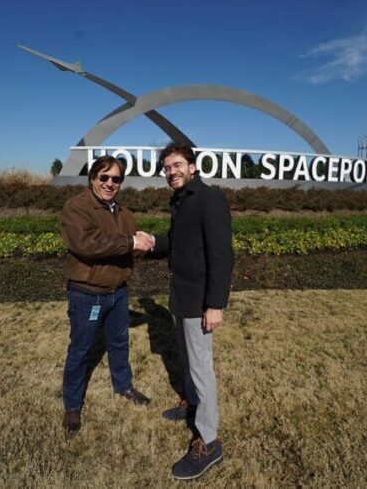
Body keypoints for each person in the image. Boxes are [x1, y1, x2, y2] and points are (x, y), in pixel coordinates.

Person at [149, 143, 234, 480]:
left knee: (201, 368)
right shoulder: (181, 200)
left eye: (177, 165)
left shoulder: (208, 199)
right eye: (167, 167)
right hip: (182, 296)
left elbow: (222, 256)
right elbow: (176, 240)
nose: (172, 172)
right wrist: (151, 242)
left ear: (193, 166)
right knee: (187, 358)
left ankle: (208, 441)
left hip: (200, 300)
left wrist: (215, 304)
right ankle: (192, 402)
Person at [60, 155, 154, 432]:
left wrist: (142, 243)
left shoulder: (123, 213)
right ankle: (73, 406)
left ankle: (123, 387)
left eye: (116, 179)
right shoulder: (76, 207)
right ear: (92, 178)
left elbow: (125, 248)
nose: (110, 183)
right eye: (104, 177)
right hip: (88, 293)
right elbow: (88, 244)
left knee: (119, 343)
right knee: (81, 350)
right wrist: (129, 241)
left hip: (118, 292)